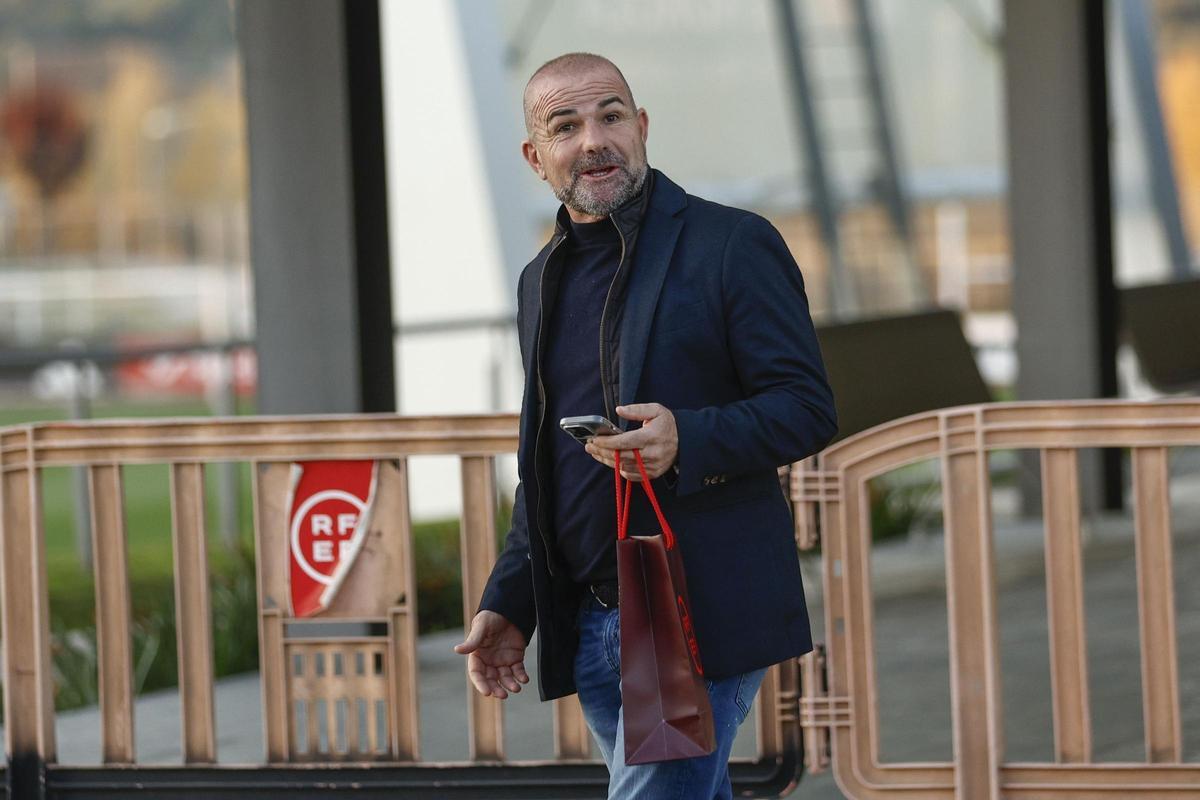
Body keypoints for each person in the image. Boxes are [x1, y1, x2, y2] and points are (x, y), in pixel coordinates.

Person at [454, 52, 836, 799]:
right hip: (592, 622)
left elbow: (806, 405)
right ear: (536, 158)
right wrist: (510, 601)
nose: (593, 139)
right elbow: (548, 465)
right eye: (566, 126)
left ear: (643, 127)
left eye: (611, 115)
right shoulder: (541, 279)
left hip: (694, 614)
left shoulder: (731, 244)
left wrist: (686, 438)